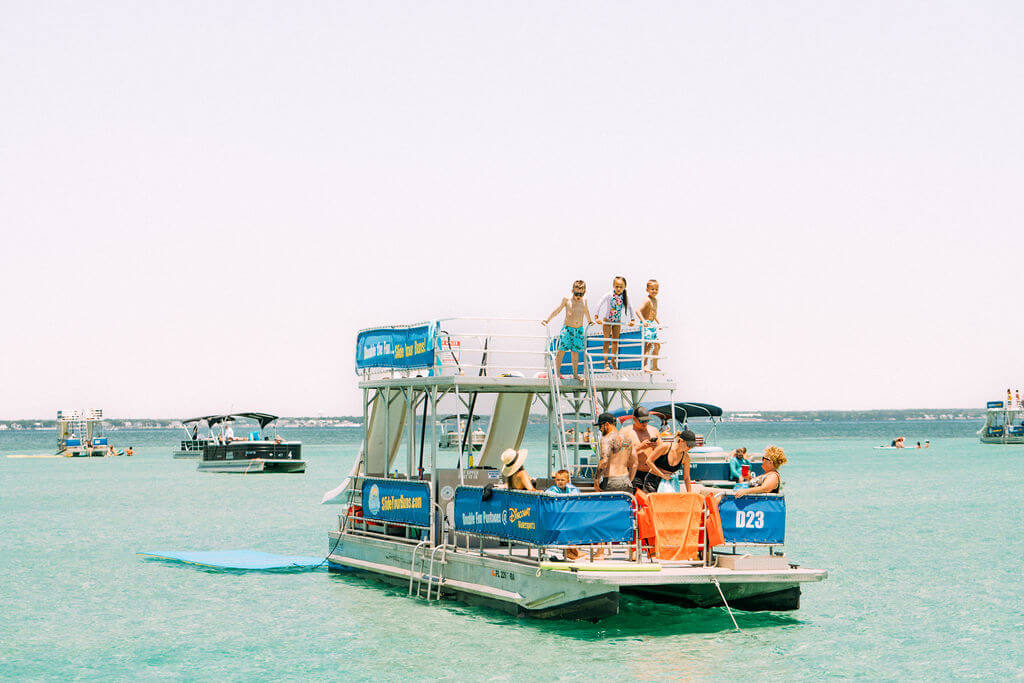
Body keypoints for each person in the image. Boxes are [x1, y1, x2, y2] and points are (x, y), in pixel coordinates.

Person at [542, 280, 595, 381]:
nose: (578, 296)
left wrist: (590, 321)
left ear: (585, 292)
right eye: (576, 293)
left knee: (575, 352)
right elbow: (557, 310)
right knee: (561, 350)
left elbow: (586, 311)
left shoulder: (584, 300)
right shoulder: (567, 299)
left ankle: (575, 374)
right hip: (567, 329)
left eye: (581, 293)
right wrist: (547, 319)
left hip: (578, 330)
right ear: (572, 291)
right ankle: (557, 373)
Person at [620, 407, 668, 492]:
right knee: (636, 501)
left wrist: (656, 448)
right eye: (642, 421)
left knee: (651, 501)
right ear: (634, 419)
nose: (644, 423)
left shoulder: (654, 430)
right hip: (634, 473)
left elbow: (663, 452)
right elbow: (621, 454)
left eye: (647, 421)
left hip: (652, 473)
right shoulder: (625, 432)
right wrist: (640, 447)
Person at [594, 276, 635, 370]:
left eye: (621, 287)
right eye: (617, 286)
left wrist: (632, 319)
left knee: (615, 342)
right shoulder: (609, 295)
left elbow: (631, 307)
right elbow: (599, 303)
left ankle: (613, 360)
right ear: (613, 286)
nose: (619, 289)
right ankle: (606, 363)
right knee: (607, 341)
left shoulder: (625, 297)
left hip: (617, 321)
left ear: (624, 287)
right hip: (607, 321)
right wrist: (596, 317)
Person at [592, 412, 636, 493]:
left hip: (611, 481)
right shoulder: (628, 438)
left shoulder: (606, 438)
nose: (599, 429)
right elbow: (634, 464)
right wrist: (629, 480)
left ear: (607, 424)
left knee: (607, 505)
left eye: (600, 426)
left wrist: (596, 479)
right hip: (626, 481)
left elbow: (604, 461)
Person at [636, 279, 661, 372]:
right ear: (647, 290)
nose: (654, 291)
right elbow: (638, 310)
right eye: (652, 289)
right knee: (648, 345)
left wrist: (659, 323)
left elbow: (653, 314)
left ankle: (654, 366)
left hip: (652, 325)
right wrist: (643, 321)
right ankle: (645, 366)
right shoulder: (647, 300)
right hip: (646, 324)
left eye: (656, 289)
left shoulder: (655, 300)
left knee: (657, 345)